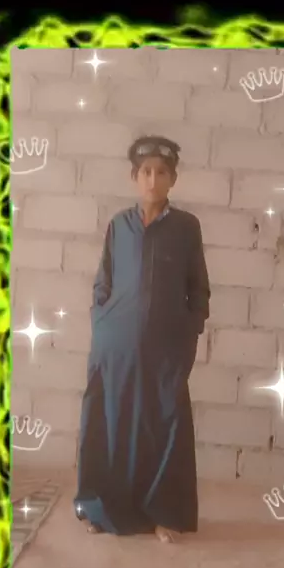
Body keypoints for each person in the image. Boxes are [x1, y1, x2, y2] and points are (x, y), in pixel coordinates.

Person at [74, 136, 210, 543]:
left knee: (164, 425)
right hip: (115, 347)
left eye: (161, 172)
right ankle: (101, 509)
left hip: (166, 348)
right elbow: (103, 282)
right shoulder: (119, 226)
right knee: (110, 421)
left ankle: (163, 515)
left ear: (173, 179)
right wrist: (101, 321)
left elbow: (198, 288)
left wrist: (191, 329)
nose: (153, 180)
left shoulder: (186, 228)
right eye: (146, 172)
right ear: (135, 177)